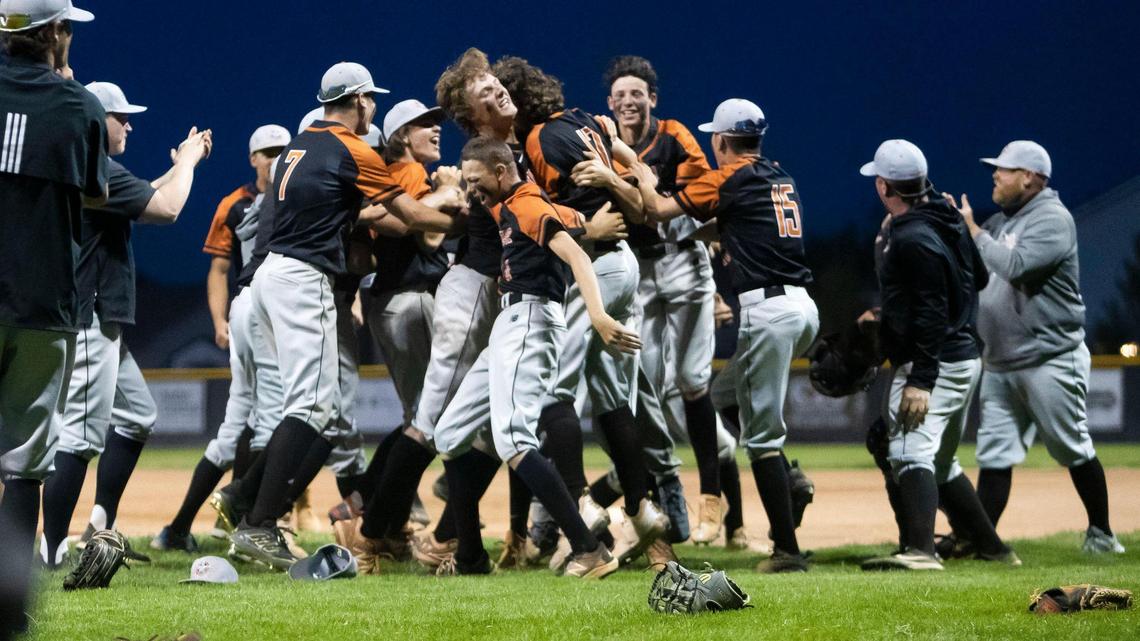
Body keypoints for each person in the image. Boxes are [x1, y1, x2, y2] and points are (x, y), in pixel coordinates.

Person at [227, 61, 463, 570]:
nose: (371, 107)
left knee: (314, 406)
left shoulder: (301, 140)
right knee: (312, 407)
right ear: (358, 100)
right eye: (370, 99)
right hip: (304, 279)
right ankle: (258, 522)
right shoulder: (352, 148)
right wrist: (457, 205)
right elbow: (415, 218)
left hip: (272, 274)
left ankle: (248, 504)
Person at [417, 135, 638, 578]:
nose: (473, 189)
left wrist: (597, 316)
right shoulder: (516, 203)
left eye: (478, 180)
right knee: (449, 433)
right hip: (510, 322)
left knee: (514, 440)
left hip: (532, 321)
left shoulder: (526, 205)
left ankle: (589, 549)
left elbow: (576, 255)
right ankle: (471, 558)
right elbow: (575, 225)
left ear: (501, 171)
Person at [335, 48, 516, 571]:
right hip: (420, 297)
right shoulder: (412, 173)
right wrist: (451, 197)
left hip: (428, 296)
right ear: (398, 136)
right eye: (421, 125)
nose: (433, 131)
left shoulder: (427, 170)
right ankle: (377, 530)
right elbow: (427, 236)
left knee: (440, 421)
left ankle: (400, 526)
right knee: (429, 421)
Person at [630, 99, 818, 572]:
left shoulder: (727, 177)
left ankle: (787, 551)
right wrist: (696, 238)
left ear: (721, 140)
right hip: (802, 305)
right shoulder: (779, 175)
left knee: (762, 441)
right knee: (720, 393)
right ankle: (788, 481)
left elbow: (654, 208)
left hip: (767, 312)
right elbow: (734, 224)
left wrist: (633, 171)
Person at [497, 56, 667, 567]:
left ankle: (584, 511)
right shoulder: (588, 121)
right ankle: (642, 512)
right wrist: (623, 178)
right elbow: (642, 206)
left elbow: (623, 215)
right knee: (614, 396)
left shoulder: (543, 139)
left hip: (597, 267)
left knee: (553, 391)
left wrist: (611, 190)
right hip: (621, 266)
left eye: (505, 100)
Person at [38, 81, 212, 567]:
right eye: (122, 117)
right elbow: (169, 208)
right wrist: (189, 163)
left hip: (101, 316)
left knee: (137, 415)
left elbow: (143, 196)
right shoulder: (92, 167)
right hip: (90, 316)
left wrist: (177, 167)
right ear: (97, 120)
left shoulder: (91, 170)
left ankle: (98, 526)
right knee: (80, 437)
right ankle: (51, 552)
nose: (129, 124)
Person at [946, 141, 1123, 554]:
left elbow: (1016, 266)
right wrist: (956, 228)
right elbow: (972, 267)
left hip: (1050, 357)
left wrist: (973, 230)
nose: (995, 175)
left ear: (1029, 177)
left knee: (1071, 447)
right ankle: (983, 542)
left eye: (1004, 169)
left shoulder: (1052, 219)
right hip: (1002, 360)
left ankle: (1102, 534)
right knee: (994, 454)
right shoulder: (1001, 223)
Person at [855, 139, 1018, 571]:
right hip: (964, 355)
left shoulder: (911, 236)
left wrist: (921, 379)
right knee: (942, 462)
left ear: (885, 186)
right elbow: (978, 279)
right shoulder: (947, 218)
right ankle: (994, 548)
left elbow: (930, 309)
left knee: (909, 451)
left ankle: (920, 551)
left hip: (937, 359)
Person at [0, 2, 103, 632]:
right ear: (53, 36)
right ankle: (10, 614)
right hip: (42, 305)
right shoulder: (80, 106)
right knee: (22, 464)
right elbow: (93, 190)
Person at [597, 54, 722, 554]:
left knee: (693, 381)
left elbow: (703, 190)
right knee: (642, 384)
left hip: (684, 260)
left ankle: (710, 497)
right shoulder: (600, 142)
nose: (629, 101)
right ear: (610, 103)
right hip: (639, 270)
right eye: (620, 94)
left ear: (652, 98)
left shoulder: (674, 135)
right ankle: (647, 497)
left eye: (637, 93)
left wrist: (651, 198)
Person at [152, 124, 290, 553]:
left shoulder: (292, 194)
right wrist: (218, 320)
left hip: (269, 313)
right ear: (252, 158)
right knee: (274, 419)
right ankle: (252, 524)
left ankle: (176, 530)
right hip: (257, 313)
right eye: (267, 151)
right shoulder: (235, 203)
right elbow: (217, 270)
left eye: (282, 150)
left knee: (233, 431)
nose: (274, 157)